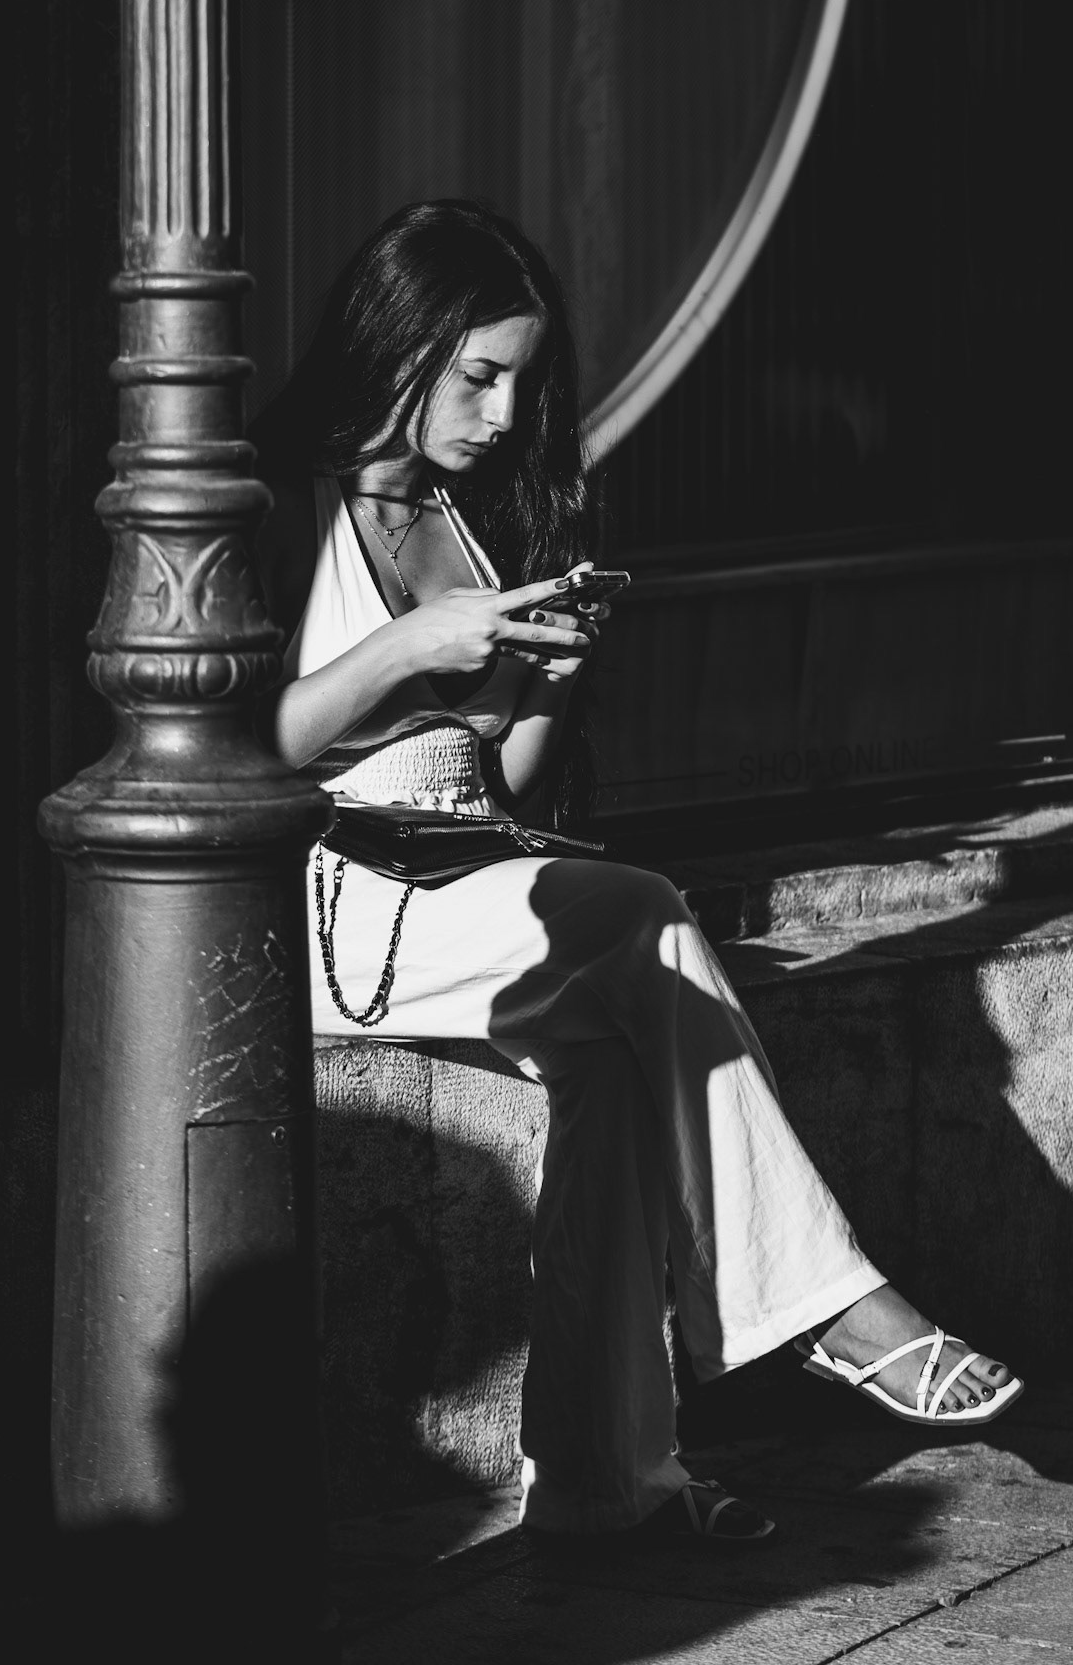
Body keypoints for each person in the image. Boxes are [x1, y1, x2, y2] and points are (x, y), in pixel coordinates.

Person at [254, 200, 1022, 1545]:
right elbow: (231, 749)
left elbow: (509, 777)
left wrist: (547, 676)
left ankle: (612, 1485)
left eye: (523, 380)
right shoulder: (273, 505)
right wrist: (401, 650)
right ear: (398, 343)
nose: (503, 412)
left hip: (473, 883)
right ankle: (830, 1307)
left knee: (613, 1077)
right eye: (477, 373)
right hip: (332, 901)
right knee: (647, 917)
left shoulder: (465, 519)